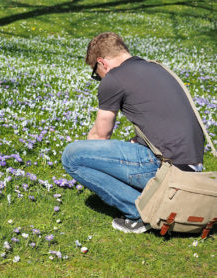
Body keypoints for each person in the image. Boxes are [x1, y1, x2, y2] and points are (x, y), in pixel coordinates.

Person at [61, 32, 204, 233]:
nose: (98, 78)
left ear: (102, 63)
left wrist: (92, 160)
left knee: (72, 156)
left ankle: (139, 214)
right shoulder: (157, 67)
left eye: (96, 73)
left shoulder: (114, 78)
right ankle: (152, 198)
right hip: (193, 169)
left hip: (169, 172)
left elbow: (99, 139)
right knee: (129, 146)